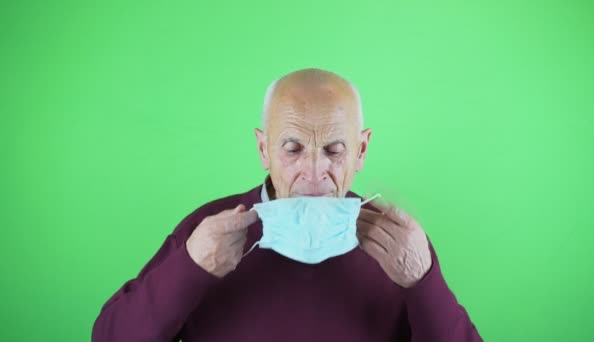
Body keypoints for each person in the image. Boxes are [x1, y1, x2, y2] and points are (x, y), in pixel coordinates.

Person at [92, 68, 483, 341]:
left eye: (334, 150)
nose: (314, 173)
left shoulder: (398, 244)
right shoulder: (205, 231)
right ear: (264, 148)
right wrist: (188, 270)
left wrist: (423, 283)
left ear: (361, 150)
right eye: (293, 149)